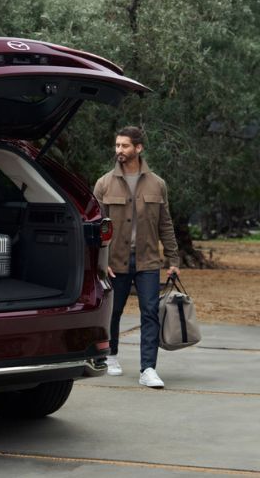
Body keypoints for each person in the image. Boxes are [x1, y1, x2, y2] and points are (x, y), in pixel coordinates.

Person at [93, 126, 180, 388]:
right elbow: (96, 227)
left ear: (138, 148)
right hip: (114, 261)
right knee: (114, 311)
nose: (119, 150)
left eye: (125, 146)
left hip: (148, 261)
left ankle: (148, 369)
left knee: (150, 312)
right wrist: (101, 261)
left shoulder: (157, 184)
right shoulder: (104, 183)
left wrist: (174, 260)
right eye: (117, 145)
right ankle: (112, 356)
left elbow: (165, 224)